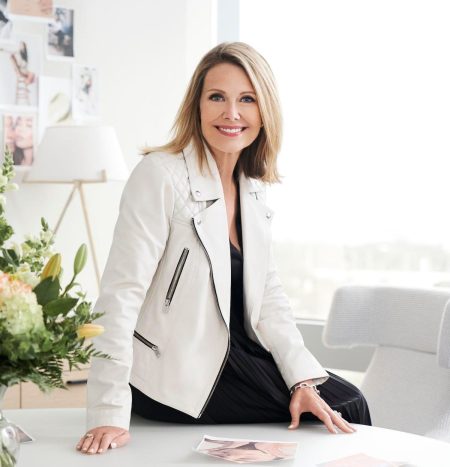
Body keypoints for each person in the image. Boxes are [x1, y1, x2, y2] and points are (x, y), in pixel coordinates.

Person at [77, 42, 371, 456]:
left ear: (264, 111)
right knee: (343, 412)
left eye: (247, 99)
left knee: (347, 401)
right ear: (197, 106)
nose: (231, 113)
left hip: (238, 356)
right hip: (172, 374)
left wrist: (302, 381)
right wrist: (107, 410)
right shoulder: (160, 175)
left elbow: (269, 301)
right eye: (217, 97)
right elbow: (120, 293)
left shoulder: (252, 189)